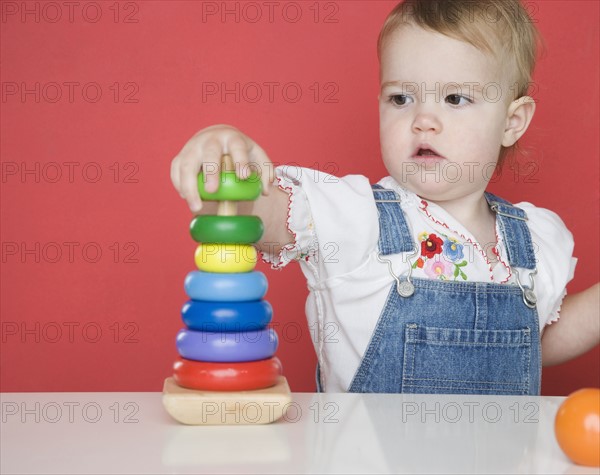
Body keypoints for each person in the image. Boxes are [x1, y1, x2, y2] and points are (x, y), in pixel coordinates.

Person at [170, 0, 599, 394]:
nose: (423, 120)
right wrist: (225, 159)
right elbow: (254, 213)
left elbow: (531, 345)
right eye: (401, 98)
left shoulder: (534, 240)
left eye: (455, 98)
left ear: (512, 122)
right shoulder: (354, 216)